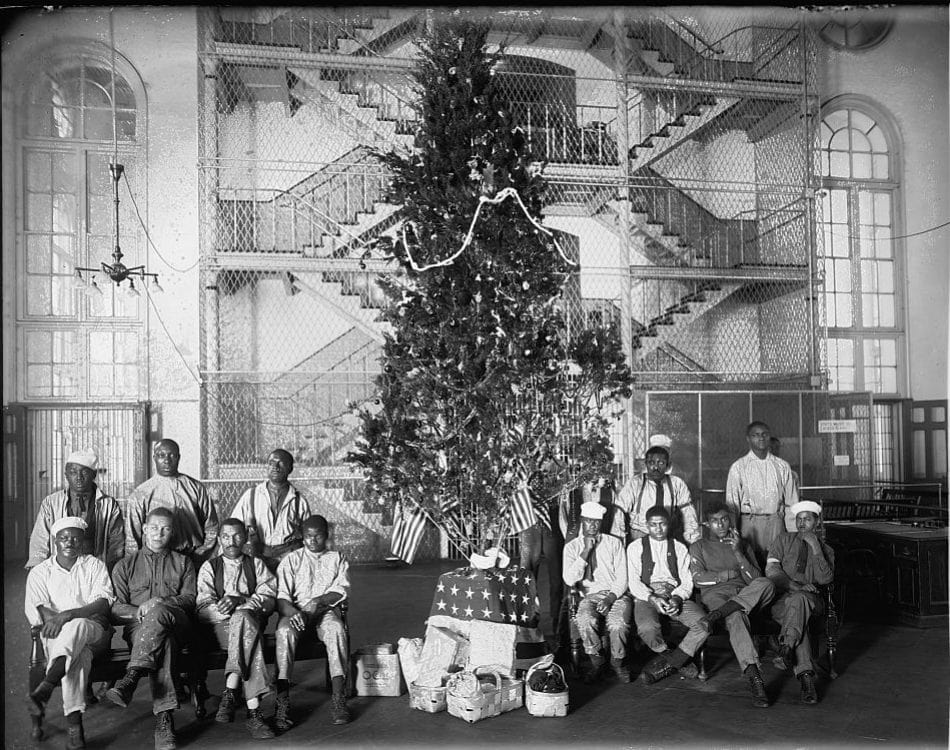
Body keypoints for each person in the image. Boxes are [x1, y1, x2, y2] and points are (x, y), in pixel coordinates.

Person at [106, 507, 197, 750]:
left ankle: (132, 676)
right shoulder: (124, 566)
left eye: (166, 528)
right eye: (154, 527)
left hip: (178, 625)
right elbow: (115, 608)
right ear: (144, 529)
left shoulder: (183, 562)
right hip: (140, 631)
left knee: (160, 616)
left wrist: (160, 603)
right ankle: (164, 720)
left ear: (172, 532)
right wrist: (140, 611)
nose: (159, 533)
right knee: (163, 643)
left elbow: (190, 599)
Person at [24, 517, 115, 748]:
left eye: (75, 538)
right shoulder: (40, 572)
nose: (69, 542)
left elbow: (103, 604)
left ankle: (46, 687)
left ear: (83, 540)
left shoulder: (94, 565)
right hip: (56, 639)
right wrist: (67, 619)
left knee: (78, 626)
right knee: (78, 655)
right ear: (55, 541)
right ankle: (76, 729)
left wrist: (67, 615)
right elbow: (41, 612)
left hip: (94, 633)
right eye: (64, 538)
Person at [196, 518, 277, 739]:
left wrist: (238, 600)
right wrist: (233, 611)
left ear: (245, 537)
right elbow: (203, 609)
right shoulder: (210, 567)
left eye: (237, 536)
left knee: (245, 622)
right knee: (246, 627)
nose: (231, 541)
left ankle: (231, 689)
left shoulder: (256, 565)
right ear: (220, 539)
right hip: (222, 631)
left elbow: (269, 599)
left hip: (249, 626)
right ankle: (254, 714)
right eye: (226, 536)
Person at [690, 502, 776, 707]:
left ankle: (718, 615)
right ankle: (754, 676)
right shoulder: (698, 546)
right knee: (735, 615)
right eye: (714, 521)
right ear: (706, 523)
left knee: (767, 583)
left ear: (730, 520)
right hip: (716, 596)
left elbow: (755, 579)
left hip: (746, 594)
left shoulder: (742, 544)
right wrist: (722, 576)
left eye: (724, 519)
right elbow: (697, 579)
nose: (720, 525)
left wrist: (738, 552)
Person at [274, 515, 351, 729]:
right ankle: (282, 702)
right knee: (284, 633)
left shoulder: (338, 558)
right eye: (308, 536)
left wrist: (318, 601)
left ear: (326, 535)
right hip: (295, 614)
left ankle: (338, 697)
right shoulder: (291, 559)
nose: (313, 540)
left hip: (324, 613)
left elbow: (341, 590)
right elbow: (281, 597)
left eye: (318, 535)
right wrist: (293, 612)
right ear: (302, 537)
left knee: (336, 628)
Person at [628, 505, 708, 684]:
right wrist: (652, 597)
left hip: (674, 592)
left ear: (669, 524)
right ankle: (670, 655)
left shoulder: (679, 548)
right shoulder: (635, 547)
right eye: (653, 525)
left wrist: (677, 598)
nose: (658, 529)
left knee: (703, 624)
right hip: (647, 595)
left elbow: (687, 581)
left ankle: (673, 662)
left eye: (662, 524)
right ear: (646, 525)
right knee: (647, 628)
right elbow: (633, 581)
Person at [766, 500, 835, 705]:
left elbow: (825, 580)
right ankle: (806, 678)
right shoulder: (783, 540)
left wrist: (815, 546)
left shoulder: (826, 550)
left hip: (813, 603)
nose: (802, 523)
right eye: (799, 519)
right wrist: (795, 586)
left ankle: (786, 648)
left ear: (817, 522)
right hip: (782, 601)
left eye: (807, 519)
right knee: (798, 620)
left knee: (800, 603)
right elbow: (771, 571)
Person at [561, 501, 632, 683]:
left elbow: (623, 578)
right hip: (590, 596)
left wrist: (610, 598)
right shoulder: (572, 547)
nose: (592, 526)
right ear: (582, 521)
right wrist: (585, 552)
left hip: (616, 594)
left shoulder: (613, 543)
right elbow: (569, 579)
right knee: (584, 619)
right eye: (588, 521)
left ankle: (617, 662)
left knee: (618, 624)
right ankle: (597, 660)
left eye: (596, 522)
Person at [26, 449, 124, 571]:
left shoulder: (108, 505)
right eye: (73, 472)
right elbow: (40, 540)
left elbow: (116, 543)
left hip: (95, 569)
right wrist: (37, 572)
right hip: (59, 570)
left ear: (94, 474)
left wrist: (109, 572)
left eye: (84, 472)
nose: (78, 477)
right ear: (66, 475)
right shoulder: (51, 503)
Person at [125, 439, 219, 564]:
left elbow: (212, 528)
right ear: (154, 458)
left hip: (192, 558)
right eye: (161, 455)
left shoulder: (196, 488)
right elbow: (132, 537)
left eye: (172, 455)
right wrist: (138, 565)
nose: (167, 460)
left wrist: (200, 555)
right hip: (155, 562)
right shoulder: (141, 493)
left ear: (179, 457)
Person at [725, 421, 799, 567]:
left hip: (776, 522)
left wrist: (793, 532)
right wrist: (734, 531)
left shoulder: (782, 466)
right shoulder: (739, 467)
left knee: (777, 565)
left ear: (769, 437)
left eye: (764, 434)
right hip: (749, 524)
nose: (761, 438)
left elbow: (791, 503)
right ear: (748, 438)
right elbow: (732, 505)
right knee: (752, 565)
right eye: (756, 435)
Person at [229, 449, 310, 572]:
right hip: (257, 556)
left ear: (290, 469)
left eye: (281, 463)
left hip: (289, 558)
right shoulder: (251, 495)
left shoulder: (299, 500)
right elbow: (233, 528)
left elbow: (309, 535)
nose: (275, 467)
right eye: (271, 463)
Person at [611, 438, 700, 546]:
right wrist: (618, 542)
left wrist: (694, 542)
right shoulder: (635, 483)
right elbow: (619, 512)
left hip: (667, 538)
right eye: (651, 463)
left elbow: (688, 514)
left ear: (668, 465)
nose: (655, 467)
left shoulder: (677, 484)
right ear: (646, 464)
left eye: (661, 463)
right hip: (639, 538)